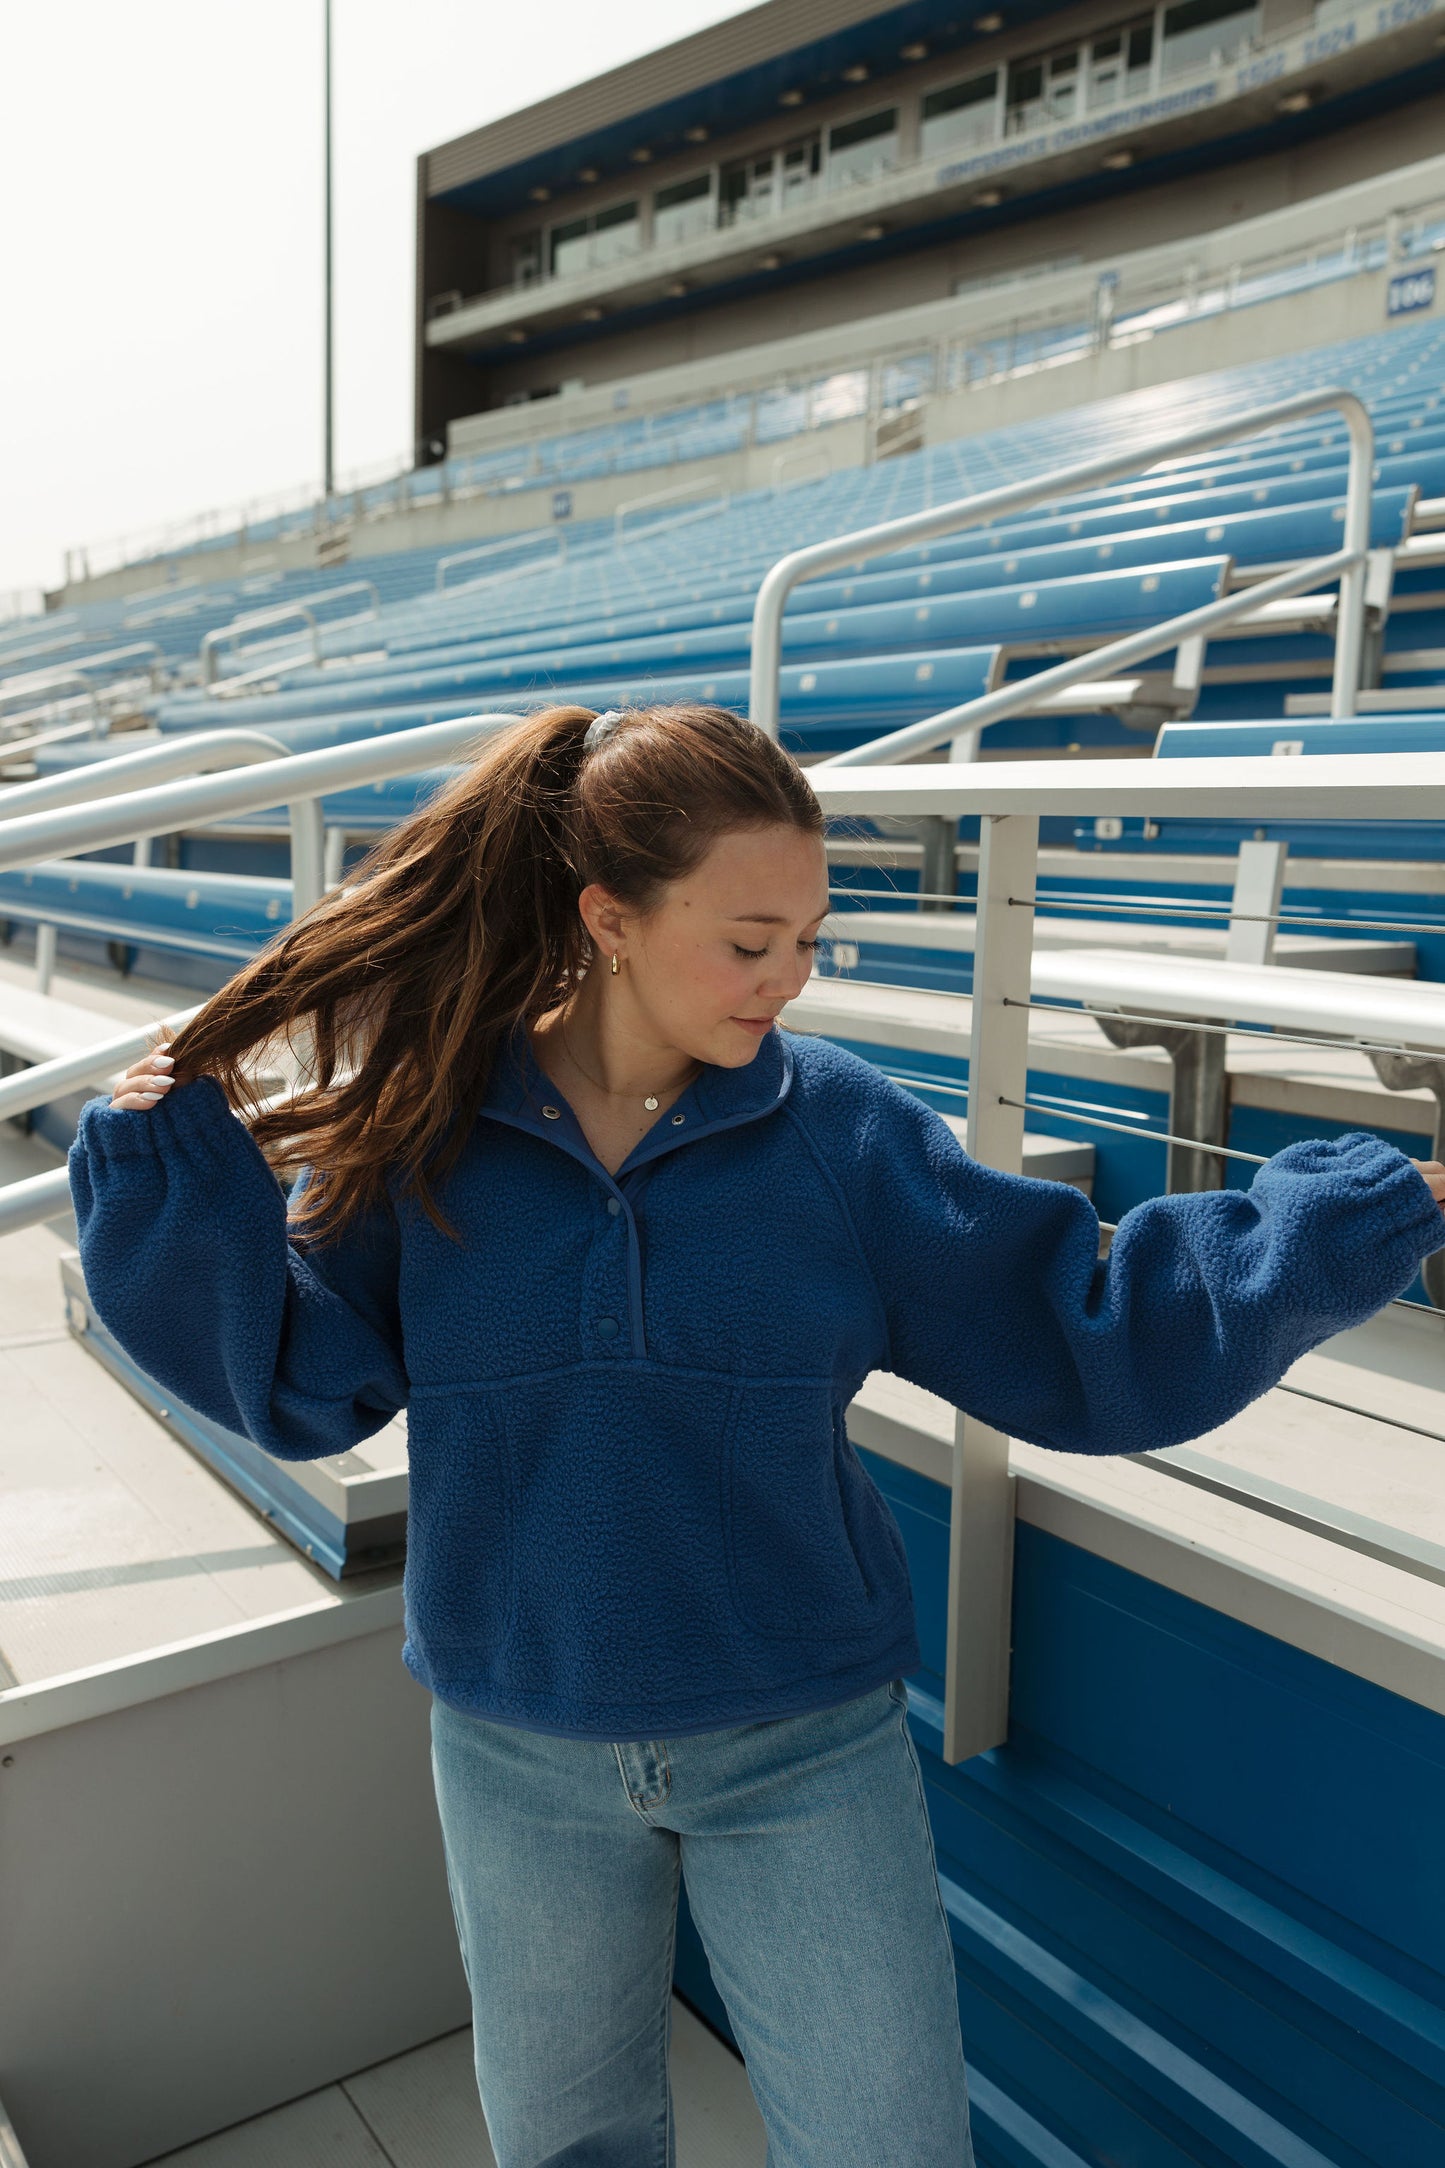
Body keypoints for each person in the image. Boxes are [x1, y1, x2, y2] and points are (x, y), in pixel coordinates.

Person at [68, 701, 1445, 2168]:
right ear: (607, 915)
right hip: (512, 1739)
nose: (788, 977)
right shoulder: (429, 1138)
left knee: (887, 2149)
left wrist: (1360, 1206)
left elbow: (1088, 1336)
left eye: (810, 935)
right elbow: (295, 1383)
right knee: (566, 2148)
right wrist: (164, 1180)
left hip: (803, 1742)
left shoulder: (844, 1138)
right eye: (747, 941)